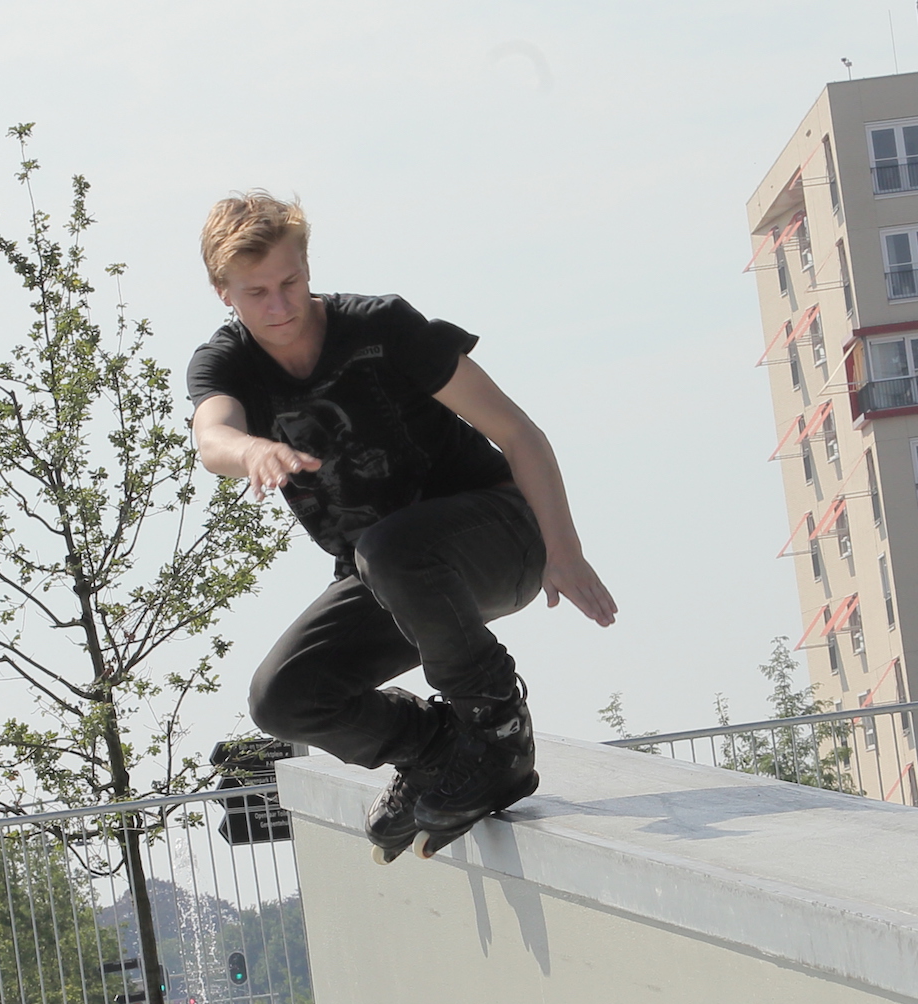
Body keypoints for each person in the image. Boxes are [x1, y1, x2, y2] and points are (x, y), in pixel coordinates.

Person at [186, 193, 617, 862]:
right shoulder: (227, 364)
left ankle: (497, 727)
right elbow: (212, 434)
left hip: (499, 537)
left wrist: (563, 549)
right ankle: (436, 746)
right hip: (389, 577)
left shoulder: (382, 328)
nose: (280, 307)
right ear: (224, 293)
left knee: (388, 547)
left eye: (291, 283)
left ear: (307, 265)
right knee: (285, 697)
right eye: (257, 294)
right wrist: (251, 451)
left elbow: (517, 431)